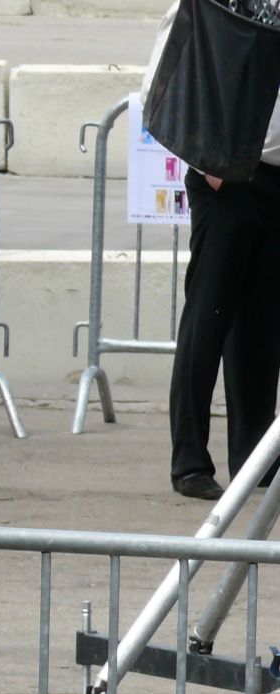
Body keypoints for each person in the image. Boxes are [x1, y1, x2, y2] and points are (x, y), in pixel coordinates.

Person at [144, 2, 280, 500]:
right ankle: (190, 461)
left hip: (272, 175)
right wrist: (205, 158)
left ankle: (254, 459)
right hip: (227, 175)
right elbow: (174, 69)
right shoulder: (215, 5)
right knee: (210, 314)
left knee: (263, 325)